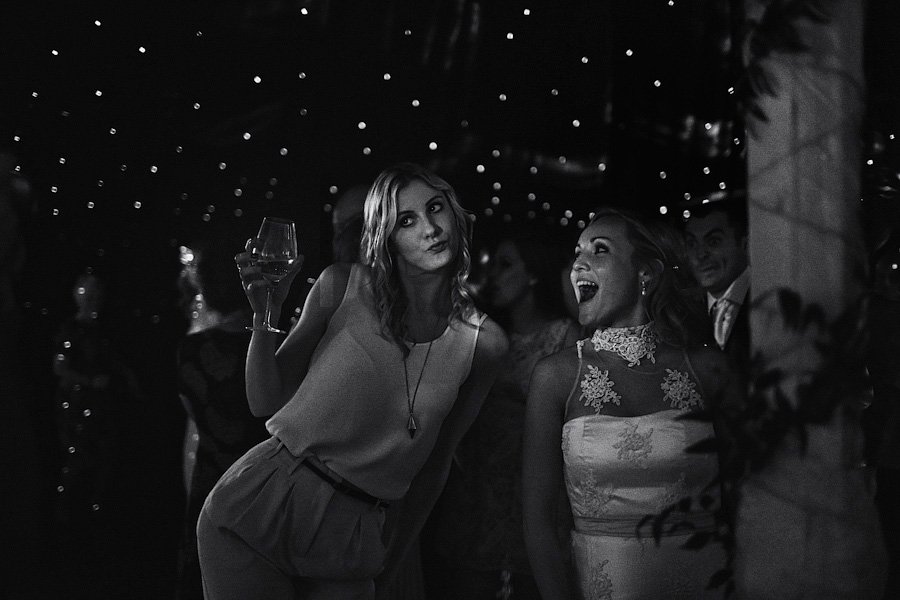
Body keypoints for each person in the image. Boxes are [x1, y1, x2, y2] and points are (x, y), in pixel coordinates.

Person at [196, 162, 508, 599]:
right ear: (387, 237)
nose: (431, 228)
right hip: (264, 503)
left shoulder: (486, 343)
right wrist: (265, 311)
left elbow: (436, 465)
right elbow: (263, 400)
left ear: (455, 214)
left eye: (436, 208)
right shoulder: (342, 286)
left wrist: (394, 559)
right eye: (407, 220)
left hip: (354, 529)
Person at [523, 207, 734, 599]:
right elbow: (538, 524)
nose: (578, 264)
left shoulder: (707, 369)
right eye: (577, 252)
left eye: (599, 250)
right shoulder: (556, 377)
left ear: (646, 274)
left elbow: (751, 496)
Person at [429, 226, 581, 599]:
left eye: (506, 265)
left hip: (528, 487)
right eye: (493, 264)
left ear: (532, 272)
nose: (493, 274)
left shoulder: (564, 337)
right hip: (475, 488)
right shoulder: (484, 336)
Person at [174, 240, 270, 600]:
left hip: (211, 483)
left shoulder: (191, 350)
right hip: (260, 488)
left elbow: (192, 416)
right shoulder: (273, 348)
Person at [682, 200, 750, 367]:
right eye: (692, 244)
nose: (700, 254)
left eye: (713, 242)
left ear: (745, 245)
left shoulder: (766, 296)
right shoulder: (683, 312)